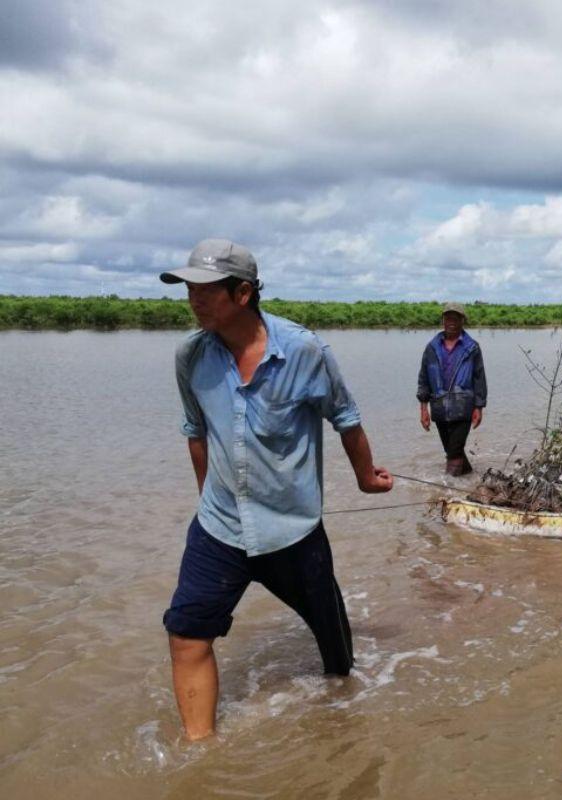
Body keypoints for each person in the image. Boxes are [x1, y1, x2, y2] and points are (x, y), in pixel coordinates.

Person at [159, 239, 393, 741]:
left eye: (204, 290)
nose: (192, 300)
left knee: (337, 656)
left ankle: (343, 727)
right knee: (186, 635)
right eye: (188, 290)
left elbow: (346, 420)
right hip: (219, 528)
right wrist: (206, 502)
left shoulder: (305, 351)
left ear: (242, 293)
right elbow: (195, 433)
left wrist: (366, 478)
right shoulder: (190, 356)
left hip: (294, 531)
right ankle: (200, 754)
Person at [417, 303, 487, 476]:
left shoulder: (472, 347)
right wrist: (423, 409)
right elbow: (424, 378)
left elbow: (479, 378)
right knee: (452, 451)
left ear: (462, 321)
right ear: (443, 320)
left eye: (456, 318)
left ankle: (448, 488)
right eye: (448, 318)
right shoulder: (431, 347)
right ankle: (470, 478)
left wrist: (479, 407)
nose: (451, 322)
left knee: (454, 451)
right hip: (439, 407)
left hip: (464, 407)